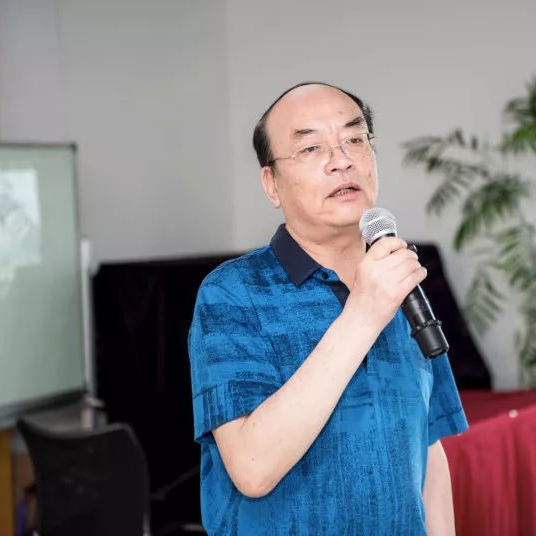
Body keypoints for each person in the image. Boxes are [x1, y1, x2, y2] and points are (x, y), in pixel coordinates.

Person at [188, 82, 468, 535]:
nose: (342, 160)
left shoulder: (397, 278)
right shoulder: (232, 293)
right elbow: (253, 468)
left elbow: (428, 448)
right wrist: (363, 314)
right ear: (271, 184)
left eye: (355, 139)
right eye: (311, 147)